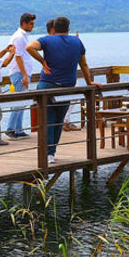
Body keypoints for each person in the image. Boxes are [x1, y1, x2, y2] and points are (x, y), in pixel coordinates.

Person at [26, 16, 101, 164]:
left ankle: (47, 153)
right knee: (59, 121)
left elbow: (29, 47)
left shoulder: (47, 40)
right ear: (68, 28)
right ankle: (51, 153)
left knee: (48, 120)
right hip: (67, 88)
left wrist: (42, 61)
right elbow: (84, 65)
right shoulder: (77, 41)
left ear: (54, 27)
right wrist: (89, 82)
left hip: (47, 86)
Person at [5, 13, 35, 140]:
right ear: (24, 23)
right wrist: (24, 75)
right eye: (31, 24)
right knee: (19, 102)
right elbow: (18, 57)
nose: (33, 26)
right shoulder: (19, 37)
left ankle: (18, 129)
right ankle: (10, 129)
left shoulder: (22, 37)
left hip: (22, 72)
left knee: (22, 102)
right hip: (19, 72)